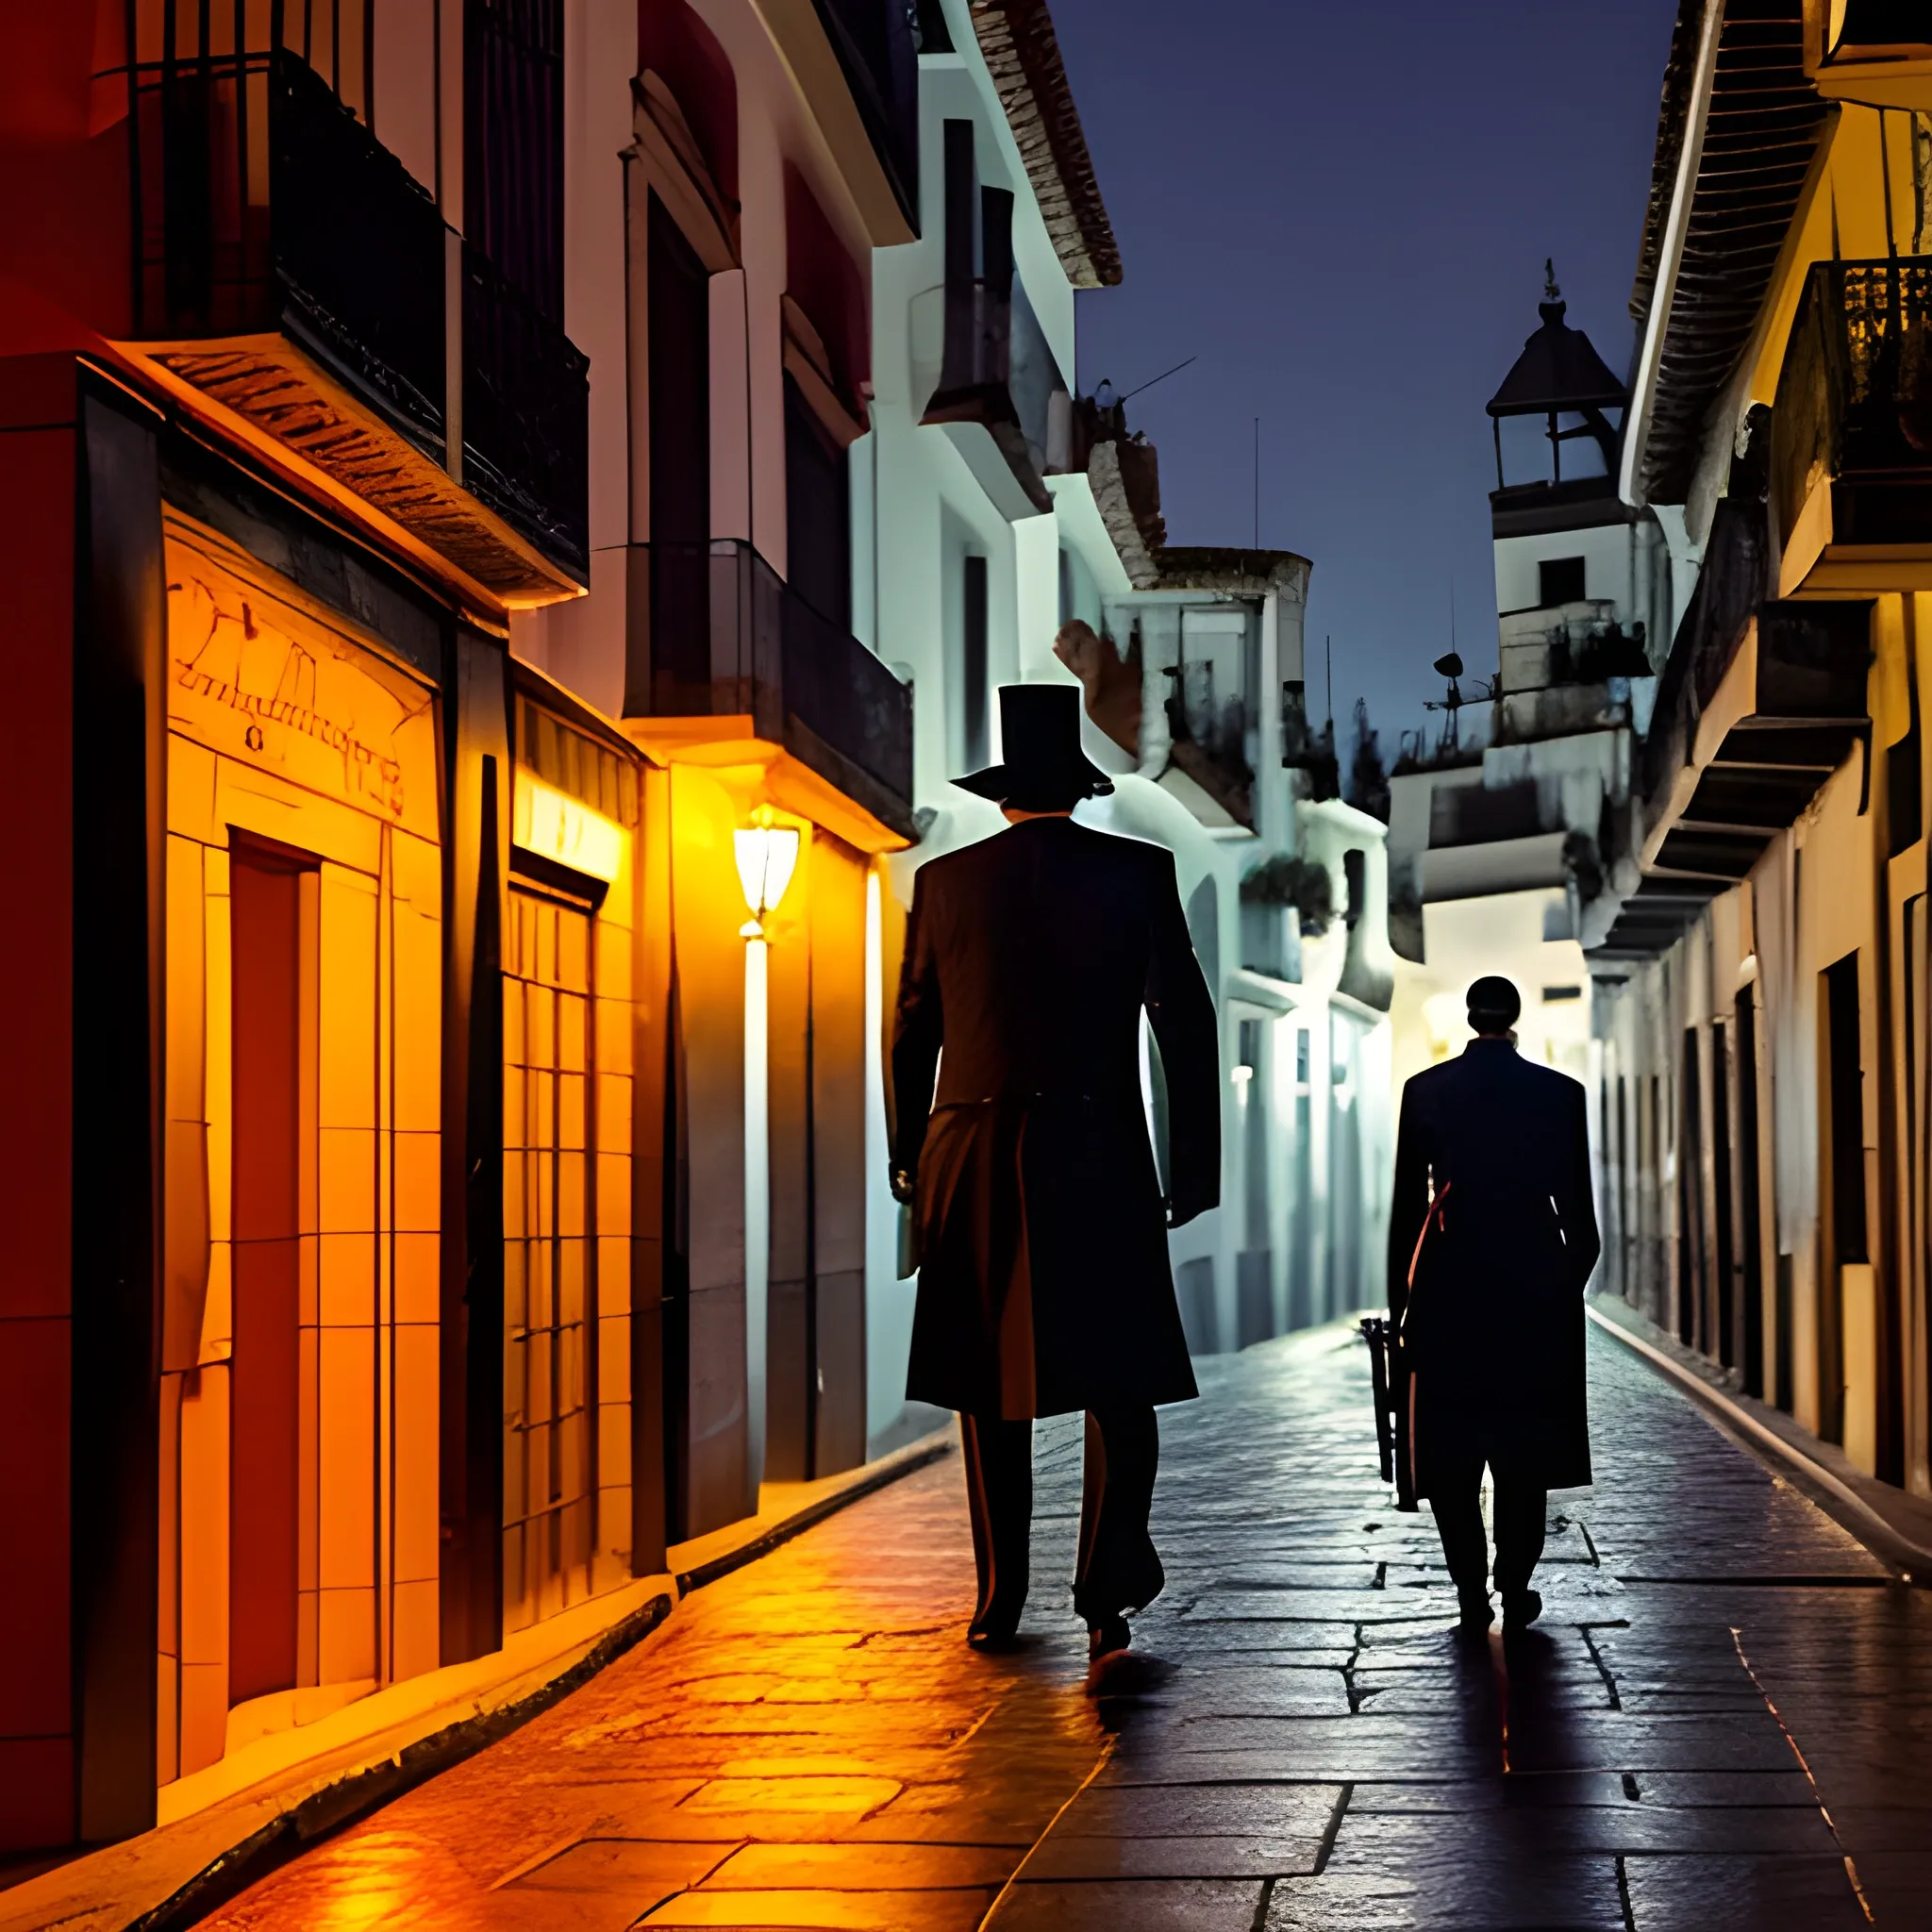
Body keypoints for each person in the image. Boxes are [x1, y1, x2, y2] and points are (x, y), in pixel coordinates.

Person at [890, 683, 1220, 1683]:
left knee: (987, 1386)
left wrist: (908, 1157)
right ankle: (1106, 1591)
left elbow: (911, 1033)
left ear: (999, 797)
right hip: (1098, 1147)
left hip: (972, 1150)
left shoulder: (942, 886)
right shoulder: (1137, 873)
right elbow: (1184, 1025)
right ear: (1078, 790)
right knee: (1115, 1381)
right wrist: (1190, 1167)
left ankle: (998, 1595)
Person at [1387, 975, 1599, 1634]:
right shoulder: (1561, 1096)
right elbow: (1583, 1227)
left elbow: (1406, 1217)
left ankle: (1469, 1593)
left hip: (1448, 1290)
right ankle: (1515, 1583)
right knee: (1522, 1453)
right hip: (1534, 1289)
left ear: (1470, 1017)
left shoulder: (1424, 1092)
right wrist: (1559, 1292)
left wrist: (1402, 1308)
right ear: (1515, 1017)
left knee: (1450, 1454)